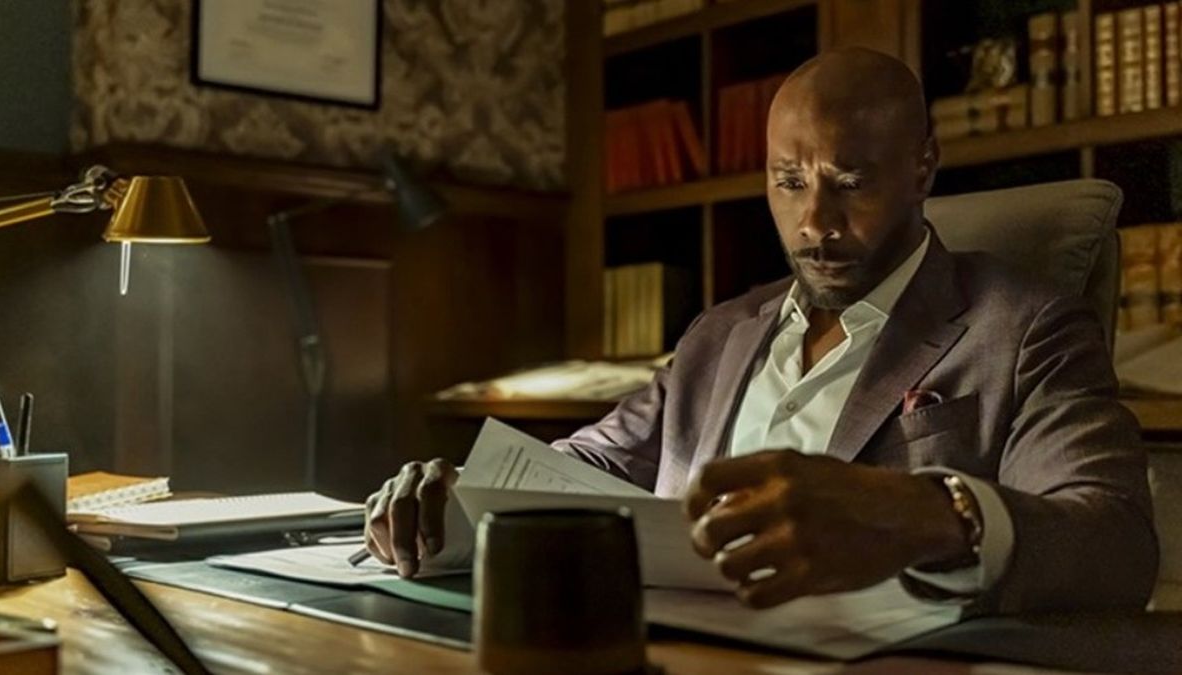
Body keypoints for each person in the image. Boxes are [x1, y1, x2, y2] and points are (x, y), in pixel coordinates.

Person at [364, 48, 1158, 613]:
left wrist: (919, 512)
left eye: (850, 183)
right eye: (788, 182)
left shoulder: (1026, 327)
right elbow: (595, 461)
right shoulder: (720, 333)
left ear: (923, 166)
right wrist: (458, 495)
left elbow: (1116, 541)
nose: (814, 221)